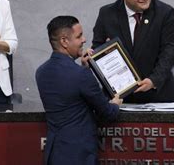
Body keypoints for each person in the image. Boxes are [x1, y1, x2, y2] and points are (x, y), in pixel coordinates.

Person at [36, 16, 121, 165]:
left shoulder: (41, 72)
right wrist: (115, 104)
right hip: (80, 155)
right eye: (79, 36)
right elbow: (107, 112)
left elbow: (69, 93)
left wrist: (83, 69)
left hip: (54, 154)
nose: (84, 40)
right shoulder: (81, 75)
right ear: (64, 41)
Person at [92, 0, 174, 103]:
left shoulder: (165, 13)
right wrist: (91, 57)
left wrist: (153, 80)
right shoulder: (107, 13)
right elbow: (98, 47)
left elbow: (170, 51)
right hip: (119, 99)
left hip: (158, 96)